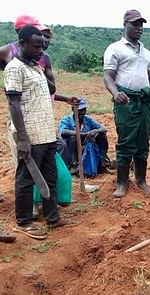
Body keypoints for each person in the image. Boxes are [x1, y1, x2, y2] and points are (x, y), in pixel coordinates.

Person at [5, 25, 78, 240]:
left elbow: (47, 93)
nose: (41, 49)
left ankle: (52, 217)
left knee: (50, 176)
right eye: (36, 46)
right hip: (31, 135)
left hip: (46, 133)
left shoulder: (35, 67)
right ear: (22, 44)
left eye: (42, 45)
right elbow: (13, 104)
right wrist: (24, 139)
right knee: (26, 178)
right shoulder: (14, 68)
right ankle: (24, 221)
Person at [103, 9, 150, 197]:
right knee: (126, 141)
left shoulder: (146, 53)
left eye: (141, 24)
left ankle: (141, 180)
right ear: (125, 25)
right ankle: (121, 183)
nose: (139, 28)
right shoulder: (115, 49)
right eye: (135, 24)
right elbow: (108, 76)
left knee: (142, 141)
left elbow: (149, 81)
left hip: (144, 102)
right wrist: (115, 93)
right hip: (126, 102)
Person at [58, 98, 109, 175]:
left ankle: (103, 163)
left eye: (84, 110)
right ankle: (73, 166)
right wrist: (81, 133)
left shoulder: (87, 119)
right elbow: (63, 131)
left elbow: (103, 129)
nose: (82, 112)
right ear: (73, 109)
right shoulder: (67, 119)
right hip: (71, 148)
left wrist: (95, 131)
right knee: (73, 137)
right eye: (80, 110)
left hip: (84, 146)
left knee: (101, 136)